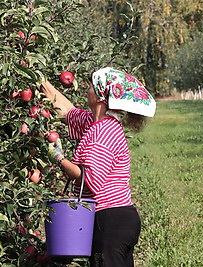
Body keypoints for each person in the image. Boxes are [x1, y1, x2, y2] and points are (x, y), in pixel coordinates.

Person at [38, 67, 156, 267]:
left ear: (101, 95)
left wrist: (58, 158)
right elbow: (67, 111)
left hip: (110, 221)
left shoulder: (103, 132)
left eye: (92, 86)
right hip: (116, 219)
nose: (88, 89)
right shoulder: (95, 123)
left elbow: (89, 179)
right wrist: (39, 80)